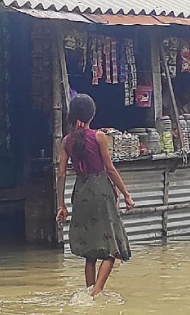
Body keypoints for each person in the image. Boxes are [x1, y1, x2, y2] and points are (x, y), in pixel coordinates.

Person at [56, 94, 135, 297]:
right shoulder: (98, 136)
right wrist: (126, 193)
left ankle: (90, 291)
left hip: (81, 193)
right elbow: (110, 169)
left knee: (90, 254)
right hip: (101, 192)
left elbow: (61, 173)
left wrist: (61, 205)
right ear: (92, 115)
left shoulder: (66, 141)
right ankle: (96, 292)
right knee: (113, 249)